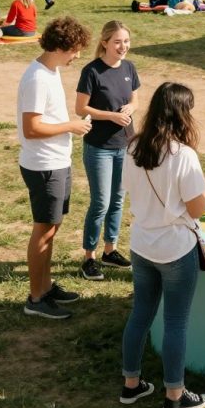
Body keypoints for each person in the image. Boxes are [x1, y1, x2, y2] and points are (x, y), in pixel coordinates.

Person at [120, 81, 205, 408]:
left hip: (141, 244)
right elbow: (196, 209)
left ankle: (131, 384)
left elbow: (128, 188)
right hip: (175, 247)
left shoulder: (133, 147)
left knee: (140, 314)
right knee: (175, 322)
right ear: (181, 113)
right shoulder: (183, 155)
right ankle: (175, 396)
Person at [18, 17, 92, 319]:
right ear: (61, 47)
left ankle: (45, 287)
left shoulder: (50, 71)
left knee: (52, 228)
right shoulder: (37, 78)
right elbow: (32, 128)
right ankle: (36, 299)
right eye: (75, 50)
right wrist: (71, 126)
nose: (77, 55)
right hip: (44, 165)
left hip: (56, 162)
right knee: (44, 230)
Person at [76, 20, 140, 281]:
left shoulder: (129, 67)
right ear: (104, 43)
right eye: (117, 42)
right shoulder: (92, 71)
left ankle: (110, 250)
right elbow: (81, 109)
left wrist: (131, 108)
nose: (123, 46)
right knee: (100, 202)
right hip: (99, 147)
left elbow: (135, 98)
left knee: (117, 200)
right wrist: (111, 116)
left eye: (126, 41)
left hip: (124, 145)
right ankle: (89, 257)